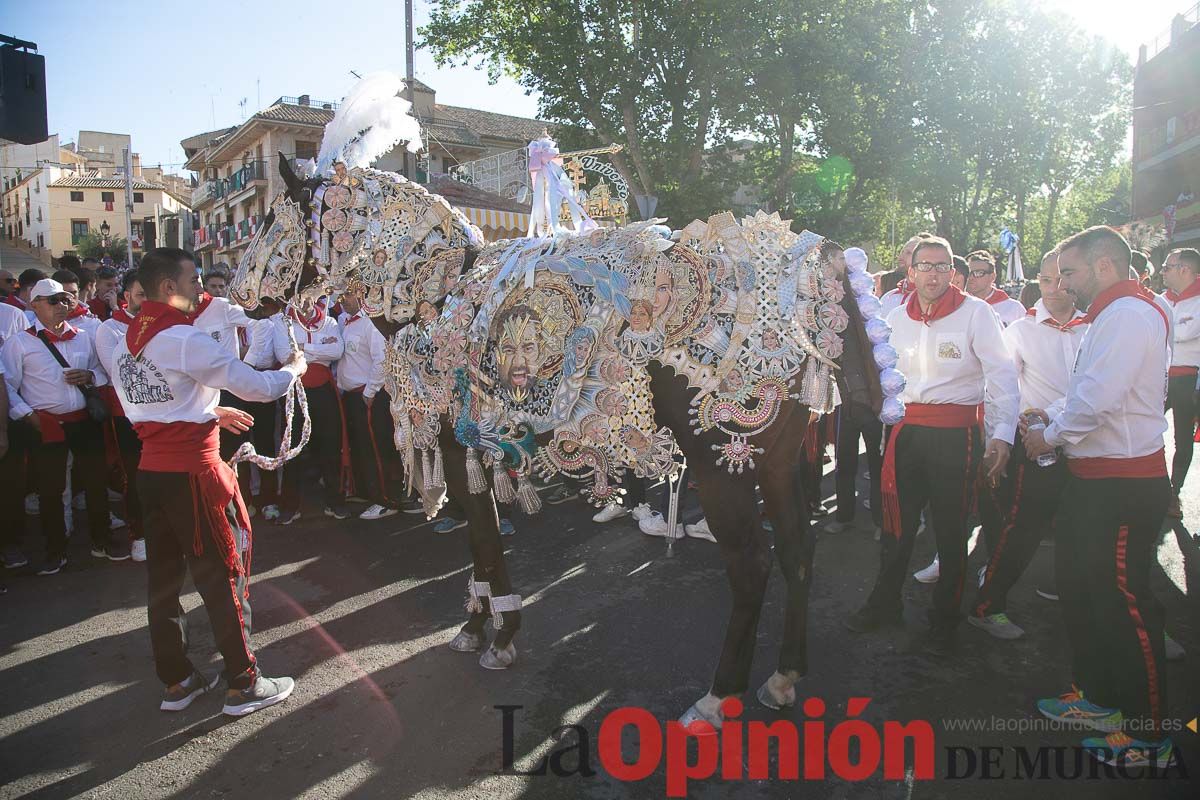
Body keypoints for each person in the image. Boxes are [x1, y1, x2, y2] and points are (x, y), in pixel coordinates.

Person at [110, 247, 304, 716]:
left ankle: (176, 681)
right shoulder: (181, 338)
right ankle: (243, 681)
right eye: (193, 279)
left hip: (152, 473)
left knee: (163, 581)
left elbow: (149, 406)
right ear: (168, 288)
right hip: (193, 474)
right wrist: (293, 370)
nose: (201, 287)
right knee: (222, 576)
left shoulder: (124, 341)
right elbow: (256, 386)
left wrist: (206, 409)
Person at [1023, 226, 1174, 768]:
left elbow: (1098, 401)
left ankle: (1151, 735)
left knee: (1126, 603)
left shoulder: (1128, 315)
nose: (1061, 283)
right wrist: (1054, 417)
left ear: (1105, 265)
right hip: (1095, 479)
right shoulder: (1113, 314)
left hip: (1124, 483)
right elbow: (1085, 389)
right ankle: (1102, 699)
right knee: (1084, 590)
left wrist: (1049, 434)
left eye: (1070, 272)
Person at [846, 236, 1018, 654]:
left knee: (951, 531)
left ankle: (945, 620)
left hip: (955, 436)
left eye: (942, 266)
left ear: (952, 272)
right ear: (912, 271)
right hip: (906, 435)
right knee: (896, 528)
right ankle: (884, 604)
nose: (934, 273)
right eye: (926, 265)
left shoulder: (977, 314)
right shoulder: (893, 315)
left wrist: (1001, 435)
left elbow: (1002, 377)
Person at [968, 251, 1086, 639]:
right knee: (1022, 529)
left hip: (1089, 446)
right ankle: (988, 606)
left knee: (1085, 530)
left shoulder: (1095, 327)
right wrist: (999, 441)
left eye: (1062, 279)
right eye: (1047, 280)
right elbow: (1002, 391)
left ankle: (1078, 598)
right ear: (1038, 280)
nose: (1055, 289)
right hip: (1037, 448)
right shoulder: (1021, 330)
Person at [1, 278, 124, 573]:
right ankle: (55, 550)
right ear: (35, 305)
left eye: (65, 300)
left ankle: (102, 540)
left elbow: (101, 372)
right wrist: (26, 415)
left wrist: (90, 376)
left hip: (84, 421)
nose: (61, 306)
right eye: (53, 301)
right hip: (46, 424)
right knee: (51, 491)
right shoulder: (20, 343)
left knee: (95, 485)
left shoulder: (83, 336)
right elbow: (9, 386)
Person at [274, 296, 348, 524]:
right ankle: (289, 505)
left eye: (309, 296)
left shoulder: (328, 321)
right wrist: (319, 350)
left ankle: (335, 501)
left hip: (324, 389)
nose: (304, 302)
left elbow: (337, 350)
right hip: (295, 389)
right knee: (292, 446)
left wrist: (306, 348)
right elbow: (284, 355)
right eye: (299, 296)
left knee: (330, 445)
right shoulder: (282, 320)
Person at [337, 290, 410, 520]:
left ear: (360, 294)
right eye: (340, 295)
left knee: (377, 449)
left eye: (347, 294)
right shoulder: (344, 320)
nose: (342, 300)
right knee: (363, 448)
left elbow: (382, 359)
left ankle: (387, 499)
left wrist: (369, 392)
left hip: (369, 396)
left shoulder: (370, 321)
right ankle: (371, 492)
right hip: (352, 396)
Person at [95, 270, 148, 562]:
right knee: (135, 475)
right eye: (141, 295)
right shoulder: (109, 329)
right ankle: (139, 534)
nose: (147, 301)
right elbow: (121, 373)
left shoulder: (169, 323)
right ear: (125, 296)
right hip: (128, 416)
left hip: (164, 414)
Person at [1160, 247, 1200, 519]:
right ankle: (1157, 487)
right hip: (1159, 377)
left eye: (1167, 266)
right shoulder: (1162, 299)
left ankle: (1173, 494)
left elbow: (1185, 333)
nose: (1162, 271)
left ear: (1184, 269)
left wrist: (1167, 328)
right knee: (1145, 432)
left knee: (1183, 441)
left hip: (1188, 379)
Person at [964, 250, 1025, 326]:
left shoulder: (1013, 308)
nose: (971, 278)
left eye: (979, 273)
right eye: (968, 273)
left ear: (992, 277)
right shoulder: (960, 306)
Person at [879, 233, 932, 314]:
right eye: (902, 251)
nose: (901, 256)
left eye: (908, 253)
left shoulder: (931, 297)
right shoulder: (889, 297)